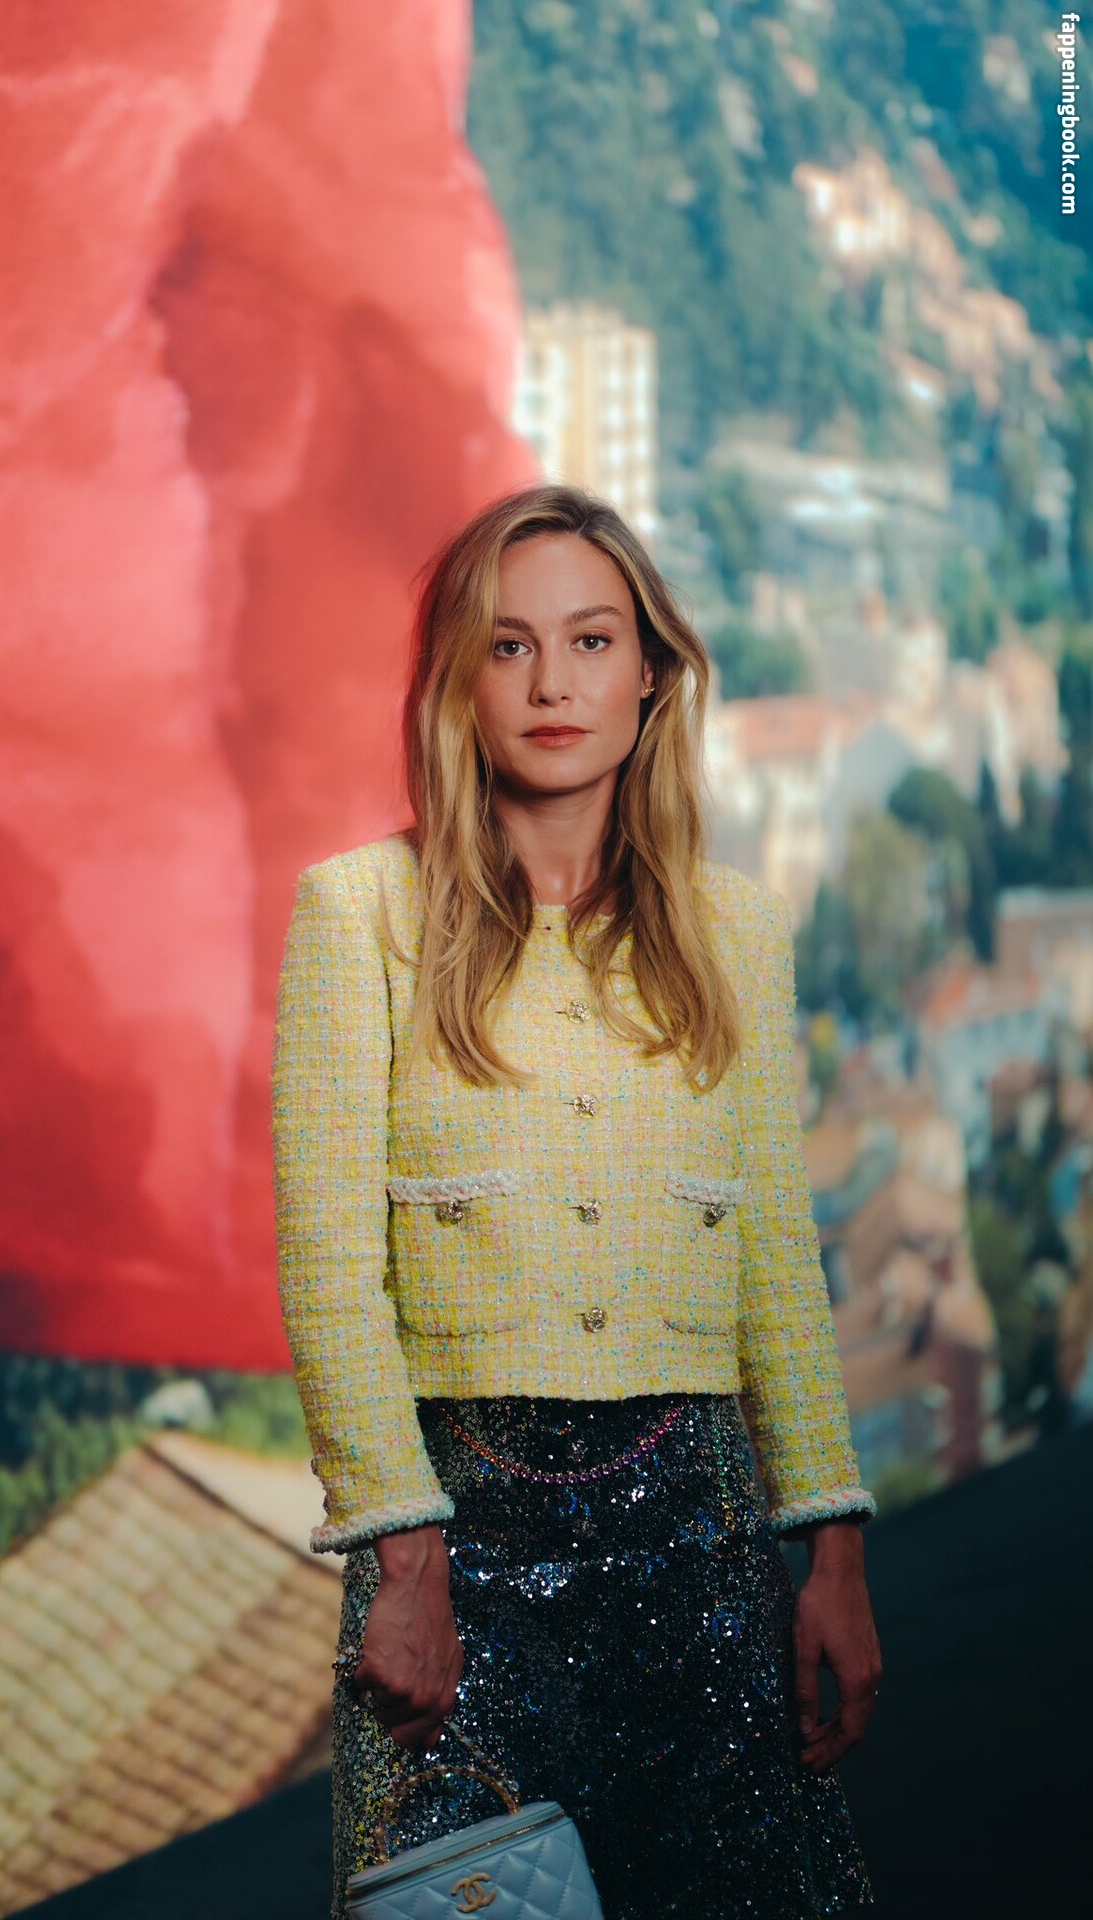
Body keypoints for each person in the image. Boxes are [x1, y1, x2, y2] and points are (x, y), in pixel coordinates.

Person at [271, 484, 882, 1919]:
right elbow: (329, 1266)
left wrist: (833, 1554)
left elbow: (774, 1266)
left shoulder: (735, 931)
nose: (553, 684)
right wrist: (404, 1562)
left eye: (592, 641)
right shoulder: (359, 915)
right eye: (510, 645)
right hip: (460, 1548)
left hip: (705, 1551)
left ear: (650, 672)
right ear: (458, 679)